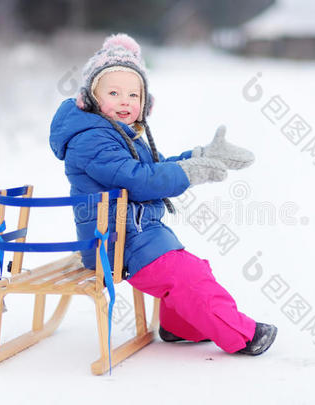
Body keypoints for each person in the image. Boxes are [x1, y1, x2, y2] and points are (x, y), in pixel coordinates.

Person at [49, 33, 277, 355]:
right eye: (113, 93)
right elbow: (139, 180)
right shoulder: (92, 140)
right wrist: (188, 173)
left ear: (145, 102)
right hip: (114, 244)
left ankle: (177, 325)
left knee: (195, 267)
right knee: (188, 277)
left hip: (138, 234)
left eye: (133, 94)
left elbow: (155, 167)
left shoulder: (118, 133)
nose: (125, 101)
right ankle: (243, 335)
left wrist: (200, 155)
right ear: (92, 98)